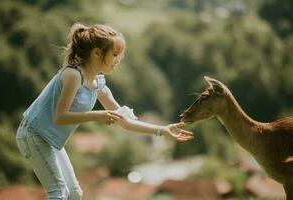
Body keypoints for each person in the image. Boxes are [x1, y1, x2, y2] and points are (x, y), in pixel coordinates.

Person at [16, 22, 194, 200]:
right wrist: (97, 115)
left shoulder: (99, 85)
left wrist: (162, 130)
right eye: (115, 54)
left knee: (74, 194)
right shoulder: (73, 76)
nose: (118, 60)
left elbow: (125, 121)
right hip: (34, 134)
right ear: (97, 53)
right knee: (59, 192)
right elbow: (60, 118)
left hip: (51, 141)